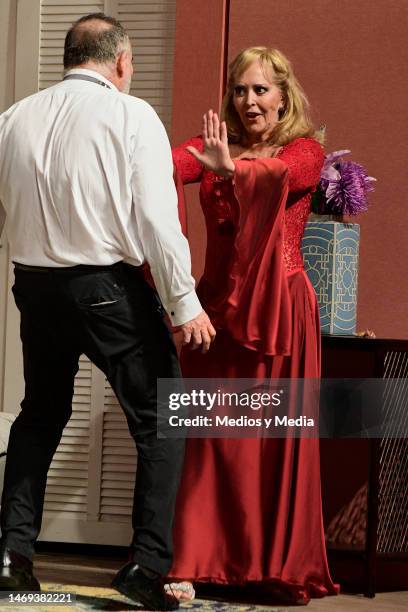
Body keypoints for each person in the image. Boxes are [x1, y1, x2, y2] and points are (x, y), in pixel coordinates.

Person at [0, 13, 215, 611]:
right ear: (121, 62)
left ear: (69, 56)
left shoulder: (12, 119)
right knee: (163, 417)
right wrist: (184, 304)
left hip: (35, 286)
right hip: (105, 288)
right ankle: (145, 566)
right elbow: (156, 219)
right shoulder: (130, 113)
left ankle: (13, 556)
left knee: (40, 414)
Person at [168, 47, 339, 605]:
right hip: (218, 311)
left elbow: (283, 175)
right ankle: (195, 559)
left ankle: (271, 565)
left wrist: (229, 169)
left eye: (260, 90)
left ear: (284, 95)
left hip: (279, 311)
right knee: (212, 439)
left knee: (269, 439)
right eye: (240, 90)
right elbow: (167, 166)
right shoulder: (218, 146)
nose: (248, 102)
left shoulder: (306, 149)